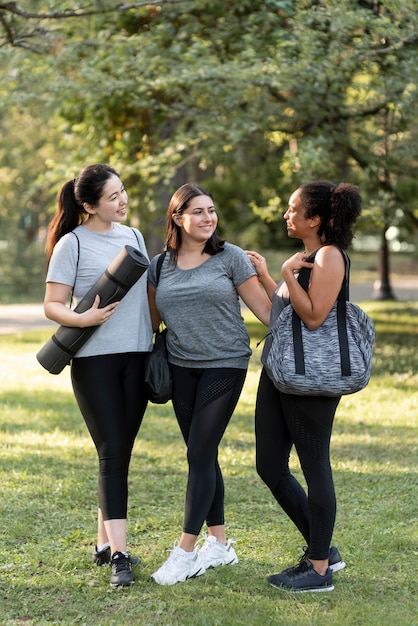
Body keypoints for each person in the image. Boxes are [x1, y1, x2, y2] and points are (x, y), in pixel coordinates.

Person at [147, 183, 272, 585]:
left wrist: (282, 281)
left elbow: (269, 313)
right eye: (198, 212)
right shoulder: (159, 266)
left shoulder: (230, 257)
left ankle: (184, 553)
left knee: (200, 451)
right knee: (202, 452)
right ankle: (218, 544)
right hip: (181, 366)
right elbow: (150, 324)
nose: (207, 218)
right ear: (177, 218)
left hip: (225, 363)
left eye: (211, 211)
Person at [247, 180, 362, 593]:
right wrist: (266, 276)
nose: (286, 214)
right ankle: (324, 549)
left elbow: (313, 317)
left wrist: (283, 273)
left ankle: (317, 571)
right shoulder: (308, 258)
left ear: (315, 219)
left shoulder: (329, 256)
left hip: (312, 380)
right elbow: (283, 318)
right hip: (282, 374)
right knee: (269, 466)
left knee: (315, 465)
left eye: (293, 209)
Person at [43, 164, 153, 587]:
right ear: (89, 205)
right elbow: (52, 304)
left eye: (122, 191)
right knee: (111, 451)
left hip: (138, 355)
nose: (122, 201)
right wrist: (82, 316)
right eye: (112, 197)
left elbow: (146, 296)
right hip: (95, 360)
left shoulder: (134, 237)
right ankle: (121, 556)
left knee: (121, 451)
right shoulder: (71, 243)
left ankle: (104, 544)